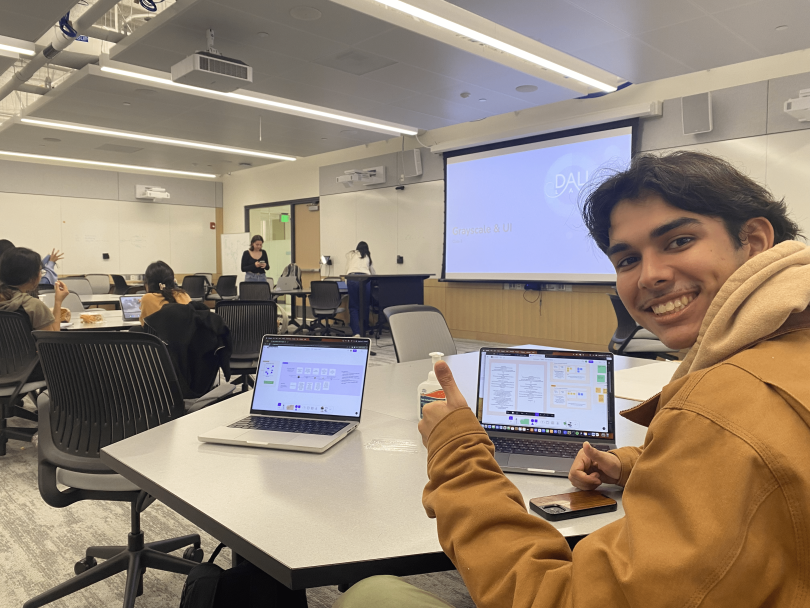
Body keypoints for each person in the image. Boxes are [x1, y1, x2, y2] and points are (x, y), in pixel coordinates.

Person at [335, 151, 810, 607]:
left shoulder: (724, 406)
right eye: (626, 260)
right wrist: (631, 464)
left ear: (753, 239)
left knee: (371, 593)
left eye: (679, 241)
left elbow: (553, 599)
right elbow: (758, 473)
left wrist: (456, 453)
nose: (651, 275)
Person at [0, 247, 68, 334]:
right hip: (31, 348)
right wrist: (58, 301)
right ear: (32, 278)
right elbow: (52, 339)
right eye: (40, 270)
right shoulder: (33, 305)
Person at [139, 261, 191, 325]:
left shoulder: (147, 298)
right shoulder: (184, 295)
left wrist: (143, 306)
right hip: (185, 334)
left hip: (159, 334)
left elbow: (144, 324)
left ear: (148, 283)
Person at [345, 241, 375, 337]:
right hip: (365, 279)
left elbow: (347, 268)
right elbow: (372, 272)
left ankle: (356, 332)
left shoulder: (351, 254)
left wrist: (347, 283)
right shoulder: (367, 256)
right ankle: (364, 330)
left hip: (352, 278)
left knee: (354, 306)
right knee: (365, 306)